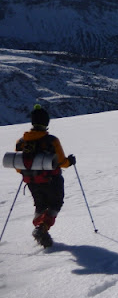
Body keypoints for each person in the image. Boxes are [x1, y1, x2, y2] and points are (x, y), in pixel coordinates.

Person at [15, 104, 75, 248]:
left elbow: (19, 167)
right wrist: (70, 161)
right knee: (55, 204)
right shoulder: (51, 141)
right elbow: (62, 162)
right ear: (46, 122)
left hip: (31, 181)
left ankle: (40, 225)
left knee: (40, 205)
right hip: (52, 181)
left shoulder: (21, 142)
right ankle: (42, 228)